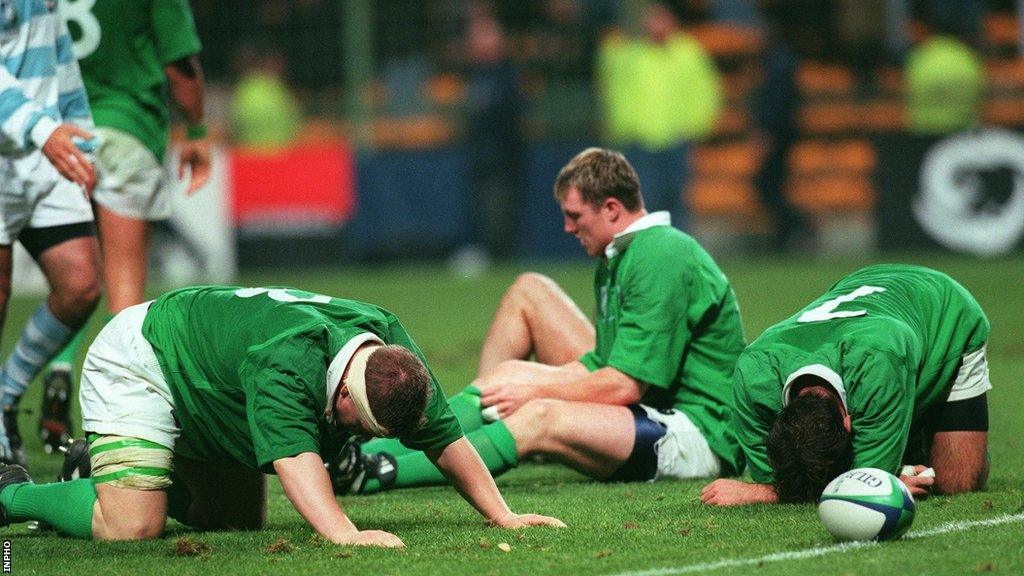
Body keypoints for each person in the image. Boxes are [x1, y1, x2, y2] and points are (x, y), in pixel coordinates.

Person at [0, 286, 563, 544]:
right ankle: (14, 492)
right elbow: (298, 462)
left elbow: (444, 438)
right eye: (356, 429)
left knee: (236, 519)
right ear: (344, 398)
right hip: (144, 360)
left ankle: (111, 475)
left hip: (210, 384)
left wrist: (503, 515)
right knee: (132, 528)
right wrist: (346, 535)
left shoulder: (390, 351)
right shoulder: (287, 365)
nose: (351, 440)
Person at [338, 148, 746, 494]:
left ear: (611, 208)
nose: (567, 228)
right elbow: (603, 362)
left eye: (575, 215)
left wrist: (536, 391)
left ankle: (374, 471)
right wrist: (518, 381)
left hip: (698, 433)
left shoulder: (661, 254)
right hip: (654, 405)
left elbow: (624, 383)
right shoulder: (622, 254)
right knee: (506, 380)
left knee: (539, 415)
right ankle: (357, 453)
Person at [38, 0, 212, 451]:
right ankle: (120, 432)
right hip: (125, 129)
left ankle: (59, 362)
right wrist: (196, 132)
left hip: (57, 138)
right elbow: (180, 67)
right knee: (125, 299)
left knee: (76, 279)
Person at [701, 264, 990, 506]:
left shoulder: (878, 361)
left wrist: (758, 493)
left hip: (943, 311)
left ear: (850, 423)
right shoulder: (753, 375)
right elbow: (782, 477)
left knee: (957, 483)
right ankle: (900, 431)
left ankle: (914, 422)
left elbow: (862, 486)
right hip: (868, 312)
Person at [0, 0, 102, 466]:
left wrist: (84, 137)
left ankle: (5, 395)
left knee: (81, 284)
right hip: (19, 146)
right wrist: (43, 129)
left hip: (47, 151)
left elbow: (59, 53)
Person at [596, 2, 723, 230]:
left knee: (676, 204)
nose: (656, 24)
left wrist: (696, 127)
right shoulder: (627, 52)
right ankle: (646, 258)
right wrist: (621, 128)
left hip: (677, 139)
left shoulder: (688, 52)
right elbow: (611, 88)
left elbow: (705, 92)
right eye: (651, 18)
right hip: (638, 141)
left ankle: (676, 257)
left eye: (661, 17)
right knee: (642, 206)